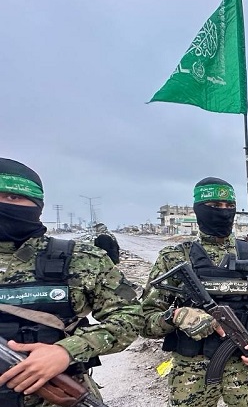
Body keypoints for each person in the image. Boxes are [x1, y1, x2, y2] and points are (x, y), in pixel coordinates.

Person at [0, 158, 142, 407]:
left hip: (62, 394)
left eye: (14, 197)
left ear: (37, 205)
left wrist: (67, 351)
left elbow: (130, 316)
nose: (3, 204)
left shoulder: (81, 258)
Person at [140, 177, 248, 407]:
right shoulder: (174, 257)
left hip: (246, 368)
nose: (224, 211)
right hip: (191, 373)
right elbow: (144, 320)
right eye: (215, 206)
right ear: (198, 209)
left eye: (229, 206)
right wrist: (177, 316)